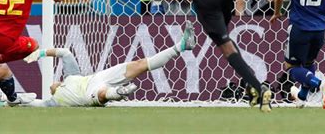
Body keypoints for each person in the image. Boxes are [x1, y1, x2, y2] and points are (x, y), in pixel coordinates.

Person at [18, 21, 196, 107]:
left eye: (52, 84)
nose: (52, 85)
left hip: (98, 78)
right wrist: (9, 100)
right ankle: (118, 93)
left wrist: (39, 53)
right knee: (102, 94)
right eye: (52, 86)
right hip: (86, 95)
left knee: (139, 64)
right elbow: (34, 104)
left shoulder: (72, 76)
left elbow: (64, 52)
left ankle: (181, 45)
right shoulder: (54, 102)